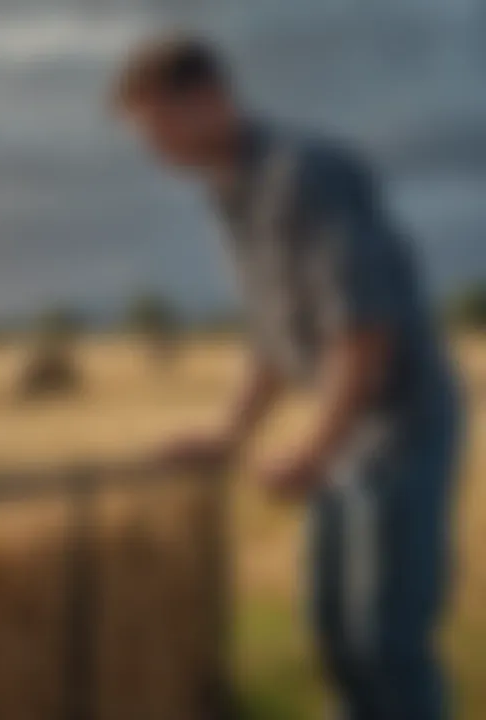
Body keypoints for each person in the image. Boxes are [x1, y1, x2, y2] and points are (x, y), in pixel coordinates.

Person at [112, 35, 462, 719]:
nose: (153, 151)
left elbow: (364, 326)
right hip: (347, 432)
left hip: (400, 427)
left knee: (385, 642)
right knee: (334, 633)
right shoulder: (232, 193)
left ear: (209, 99)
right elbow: (276, 340)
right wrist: (228, 434)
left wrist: (311, 449)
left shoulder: (304, 173)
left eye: (158, 128)